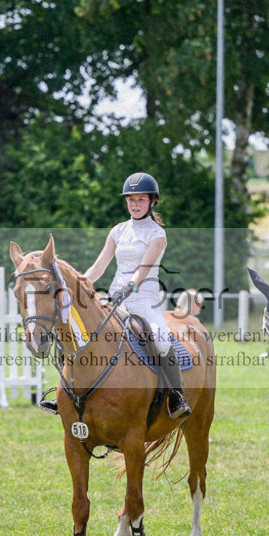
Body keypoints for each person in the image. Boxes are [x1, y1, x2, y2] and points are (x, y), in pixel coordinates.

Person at [84, 172, 191, 419]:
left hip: (144, 301)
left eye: (140, 199)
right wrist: (81, 283)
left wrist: (129, 287)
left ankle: (176, 396)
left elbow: (143, 269)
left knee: (162, 341)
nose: (134, 204)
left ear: (152, 201)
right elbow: (99, 265)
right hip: (113, 297)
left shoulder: (157, 234)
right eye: (130, 199)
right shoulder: (118, 231)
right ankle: (71, 392)